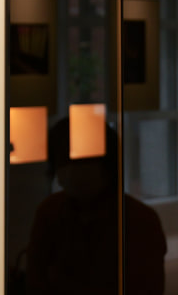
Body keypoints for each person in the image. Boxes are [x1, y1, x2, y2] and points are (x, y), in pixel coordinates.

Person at [26, 117, 167, 295]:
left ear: (107, 163)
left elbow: (146, 287)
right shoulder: (50, 212)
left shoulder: (139, 220)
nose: (72, 168)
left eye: (82, 160)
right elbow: (35, 281)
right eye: (64, 160)